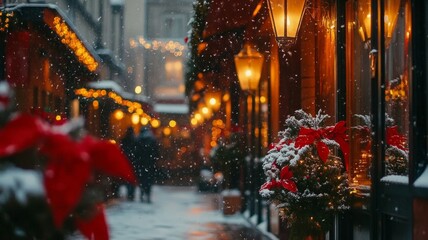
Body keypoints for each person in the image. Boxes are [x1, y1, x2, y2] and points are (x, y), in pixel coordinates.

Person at [135, 126, 159, 203]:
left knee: (142, 179)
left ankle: (142, 193)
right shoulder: (152, 140)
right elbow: (156, 152)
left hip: (141, 164)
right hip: (150, 164)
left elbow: (136, 153)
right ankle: (148, 194)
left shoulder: (139, 140)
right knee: (149, 180)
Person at [119, 127, 138, 200]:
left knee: (128, 177)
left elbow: (122, 149)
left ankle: (129, 192)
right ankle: (131, 193)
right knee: (132, 177)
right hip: (133, 161)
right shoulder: (135, 140)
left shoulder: (124, 139)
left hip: (127, 160)